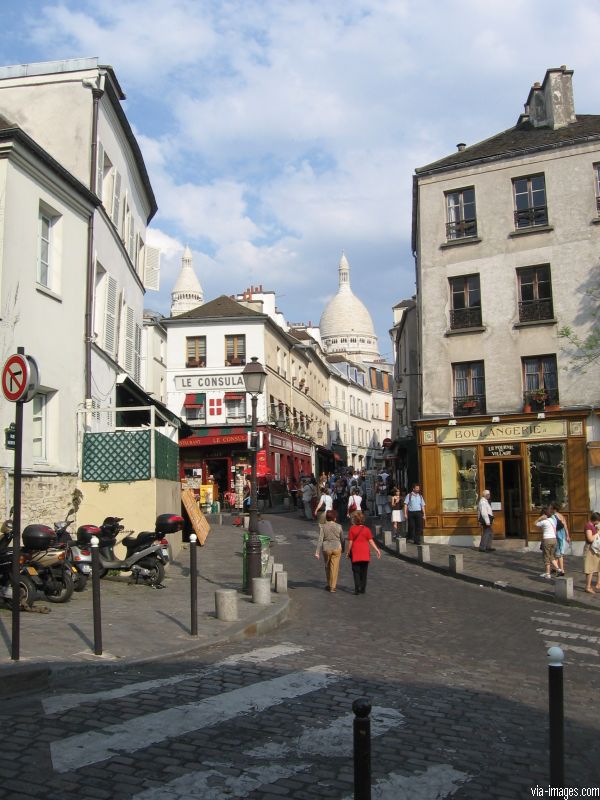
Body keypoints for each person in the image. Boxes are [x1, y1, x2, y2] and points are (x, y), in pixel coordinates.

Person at [346, 511, 381, 594]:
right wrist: (377, 549)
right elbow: (370, 540)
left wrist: (347, 552)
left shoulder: (352, 529)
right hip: (365, 553)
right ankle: (363, 588)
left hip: (355, 552)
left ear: (354, 520)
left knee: (356, 571)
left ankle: (357, 588)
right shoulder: (367, 529)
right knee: (364, 572)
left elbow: (350, 542)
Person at [314, 510, 344, 592]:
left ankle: (328, 584)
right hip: (337, 547)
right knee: (334, 567)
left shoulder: (323, 527)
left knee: (327, 566)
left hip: (326, 548)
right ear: (334, 518)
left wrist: (317, 552)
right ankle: (333, 586)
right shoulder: (339, 526)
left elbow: (320, 540)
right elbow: (342, 539)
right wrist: (343, 548)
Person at [535, 506, 559, 579]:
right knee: (552, 556)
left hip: (547, 540)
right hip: (554, 539)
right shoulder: (552, 520)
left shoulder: (543, 522)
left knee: (546, 557)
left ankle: (548, 574)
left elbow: (535, 523)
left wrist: (540, 518)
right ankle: (559, 569)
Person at [583, 511, 600, 594]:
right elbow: (590, 539)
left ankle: (594, 585)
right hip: (589, 549)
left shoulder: (592, 525)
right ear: (595, 520)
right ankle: (588, 587)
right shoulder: (588, 526)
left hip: (593, 549)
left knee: (594, 568)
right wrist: (597, 533)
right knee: (589, 568)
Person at [551, 502, 570, 576]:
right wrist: (567, 536)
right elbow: (565, 526)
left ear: (554, 509)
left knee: (559, 554)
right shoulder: (561, 515)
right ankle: (556, 568)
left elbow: (554, 528)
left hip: (558, 535)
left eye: (551, 508)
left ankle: (562, 570)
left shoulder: (553, 516)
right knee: (558, 553)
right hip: (562, 535)